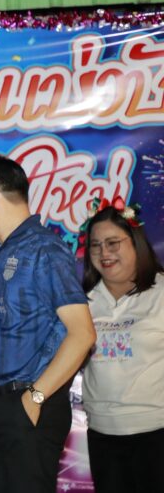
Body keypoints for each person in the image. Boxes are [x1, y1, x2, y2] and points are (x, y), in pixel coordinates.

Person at [0, 154, 95, 493]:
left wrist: (35, 398)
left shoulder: (44, 250)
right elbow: (22, 328)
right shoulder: (4, 250)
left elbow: (82, 334)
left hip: (26, 409)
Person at [79, 200, 164, 493]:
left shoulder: (160, 292)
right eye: (96, 245)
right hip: (103, 434)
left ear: (135, 242)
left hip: (156, 432)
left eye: (113, 243)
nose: (104, 252)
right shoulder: (82, 301)